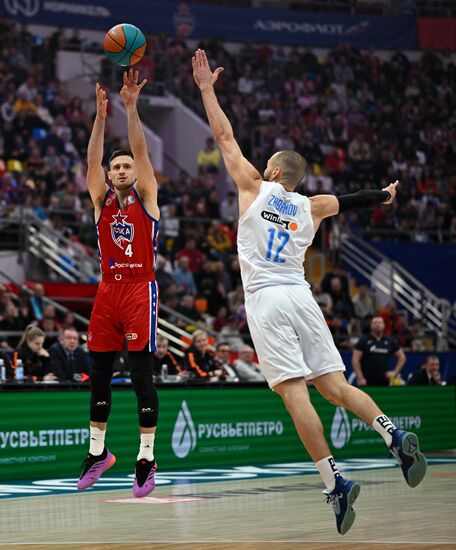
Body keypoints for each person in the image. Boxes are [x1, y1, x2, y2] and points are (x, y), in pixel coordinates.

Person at [192, 49, 426, 536]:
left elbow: (224, 136)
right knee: (336, 388)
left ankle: (334, 482)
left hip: (266, 300)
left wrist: (207, 89)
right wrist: (384, 194)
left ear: (274, 172)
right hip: (302, 297)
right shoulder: (313, 206)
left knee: (296, 395)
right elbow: (356, 200)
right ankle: (394, 433)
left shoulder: (254, 188)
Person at [78, 70, 160, 498]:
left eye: (128, 164)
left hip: (139, 289)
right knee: (100, 374)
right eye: (118, 166)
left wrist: (130, 108)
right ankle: (98, 452)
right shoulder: (100, 198)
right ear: (110, 175)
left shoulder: (148, 198)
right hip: (107, 290)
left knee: (141, 374)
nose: (124, 168)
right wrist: (98, 118)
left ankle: (145, 459)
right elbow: (91, 162)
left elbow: (143, 150)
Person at [352, 317, 406, 386]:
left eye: (380, 323)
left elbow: (402, 357)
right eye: (375, 323)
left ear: (384, 325)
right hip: (366, 380)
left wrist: (395, 372)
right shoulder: (363, 340)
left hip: (384, 380)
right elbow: (355, 359)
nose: (377, 325)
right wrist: (360, 378)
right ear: (371, 325)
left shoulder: (390, 341)